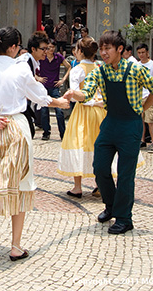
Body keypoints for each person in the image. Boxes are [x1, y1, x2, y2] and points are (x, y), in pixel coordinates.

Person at [0, 27, 70, 261]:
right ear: (12, 47)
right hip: (16, 128)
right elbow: (41, 97)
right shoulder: (20, 69)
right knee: (21, 183)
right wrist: (60, 103)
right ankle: (16, 246)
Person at [64, 30, 153, 234]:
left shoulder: (136, 69)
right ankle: (110, 206)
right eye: (101, 48)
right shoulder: (100, 71)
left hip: (130, 125)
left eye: (107, 48)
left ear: (119, 49)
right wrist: (75, 93)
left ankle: (124, 218)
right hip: (109, 124)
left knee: (126, 175)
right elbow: (87, 93)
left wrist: (143, 108)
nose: (103, 52)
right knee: (99, 168)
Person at [58, 37, 106, 198]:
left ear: (79, 51)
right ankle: (100, 184)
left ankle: (77, 186)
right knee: (99, 146)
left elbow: (74, 94)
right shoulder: (100, 67)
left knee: (78, 144)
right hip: (100, 110)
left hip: (83, 111)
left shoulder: (78, 69)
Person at [16, 31, 48, 137]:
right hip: (13, 105)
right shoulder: (25, 62)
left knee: (28, 132)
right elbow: (34, 90)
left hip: (20, 103)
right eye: (43, 49)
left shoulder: (31, 61)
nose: (45, 52)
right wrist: (56, 102)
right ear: (33, 49)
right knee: (28, 132)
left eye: (46, 49)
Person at [37, 39, 70, 140]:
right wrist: (37, 77)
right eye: (48, 47)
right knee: (44, 111)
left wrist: (63, 80)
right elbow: (30, 68)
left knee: (59, 111)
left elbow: (69, 67)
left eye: (52, 47)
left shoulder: (58, 57)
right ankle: (46, 132)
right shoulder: (42, 57)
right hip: (43, 87)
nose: (51, 49)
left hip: (55, 87)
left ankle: (63, 134)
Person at [136, 44, 153, 152]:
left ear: (147, 53)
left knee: (150, 120)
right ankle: (142, 140)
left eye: (143, 52)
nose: (141, 55)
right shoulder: (136, 65)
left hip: (148, 95)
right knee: (140, 120)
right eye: (139, 53)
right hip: (138, 95)